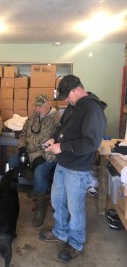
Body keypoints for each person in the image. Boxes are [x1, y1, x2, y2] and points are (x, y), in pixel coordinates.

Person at [39, 75, 107, 262]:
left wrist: (62, 147)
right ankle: (61, 232)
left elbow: (91, 143)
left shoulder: (92, 109)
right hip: (63, 163)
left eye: (67, 96)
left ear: (77, 89)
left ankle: (76, 242)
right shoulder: (74, 105)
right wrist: (54, 139)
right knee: (57, 199)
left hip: (77, 168)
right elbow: (62, 126)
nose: (66, 100)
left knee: (75, 208)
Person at [8, 94, 61, 227]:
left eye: (40, 106)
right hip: (30, 152)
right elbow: (24, 133)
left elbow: (61, 138)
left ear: (48, 105)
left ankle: (40, 208)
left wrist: (46, 150)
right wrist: (22, 148)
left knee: (39, 173)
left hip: (47, 154)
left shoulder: (57, 118)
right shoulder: (33, 116)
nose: (37, 109)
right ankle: (37, 186)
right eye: (36, 106)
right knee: (13, 161)